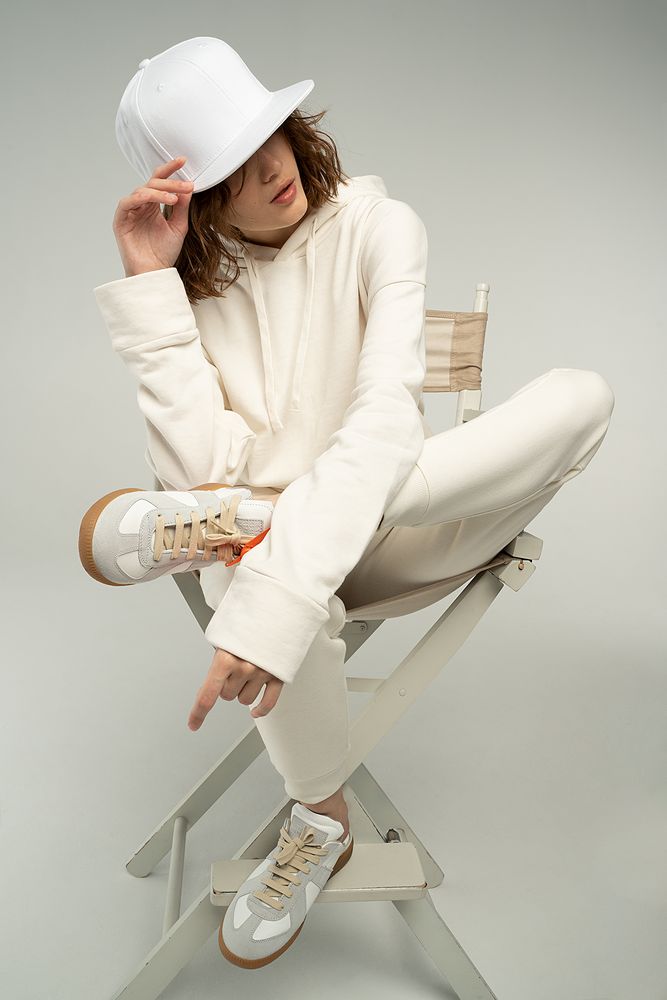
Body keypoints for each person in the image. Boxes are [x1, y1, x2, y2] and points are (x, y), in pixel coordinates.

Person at [79, 36, 615, 970]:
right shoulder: (199, 289)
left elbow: (381, 421)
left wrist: (277, 547)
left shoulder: (379, 226)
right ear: (194, 201)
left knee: (581, 395)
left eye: (266, 136)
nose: (266, 170)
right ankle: (322, 820)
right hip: (269, 549)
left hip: (409, 531)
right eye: (229, 170)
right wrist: (151, 287)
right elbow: (201, 471)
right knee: (237, 566)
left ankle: (269, 533)